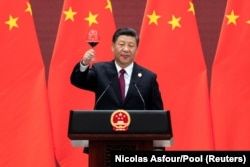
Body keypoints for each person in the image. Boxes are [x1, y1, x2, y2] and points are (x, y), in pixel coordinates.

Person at [70, 27, 164, 111]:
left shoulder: (148, 78)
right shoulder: (100, 71)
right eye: (122, 44)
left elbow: (157, 113)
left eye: (131, 46)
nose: (126, 49)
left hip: (137, 129)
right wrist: (84, 63)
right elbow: (78, 81)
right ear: (113, 47)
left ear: (136, 49)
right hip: (104, 127)